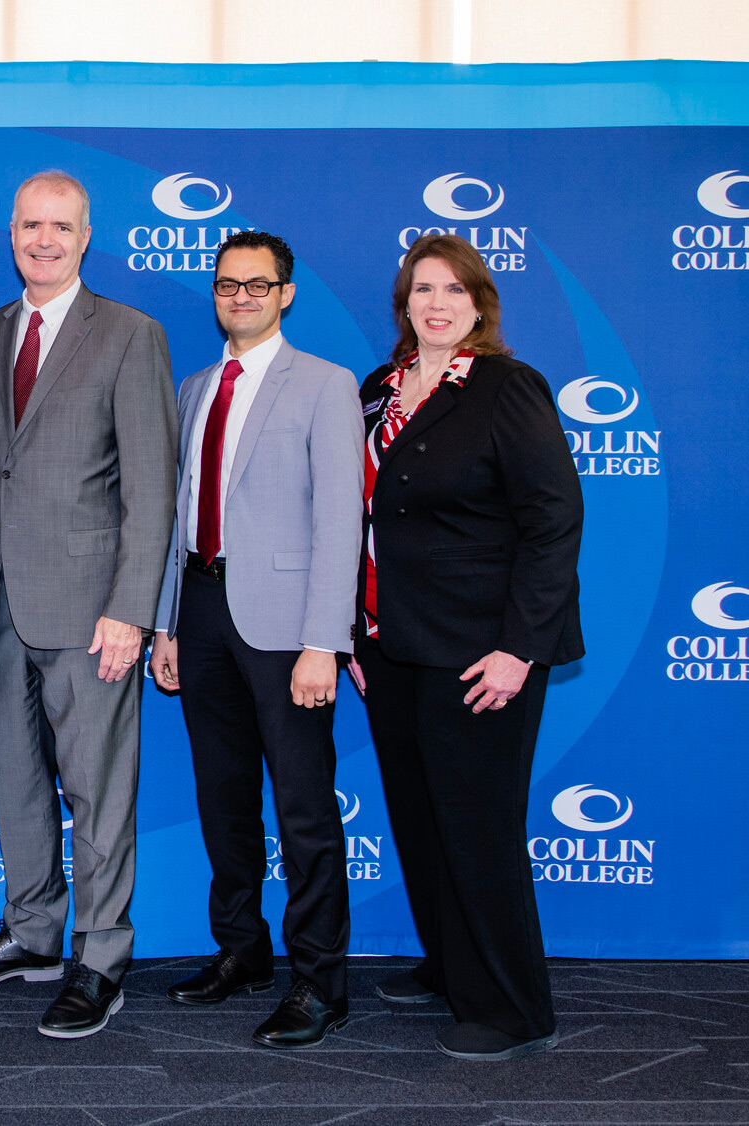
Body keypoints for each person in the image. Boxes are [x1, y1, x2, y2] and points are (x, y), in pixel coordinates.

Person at [0, 171, 177, 1039]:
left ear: (86, 235)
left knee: (99, 795)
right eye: (30, 224)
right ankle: (32, 934)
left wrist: (132, 610)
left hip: (90, 612)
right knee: (18, 786)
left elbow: (154, 490)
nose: (44, 239)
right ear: (10, 233)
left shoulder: (130, 334)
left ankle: (99, 957)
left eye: (61, 226)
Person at [350, 233, 582, 1061]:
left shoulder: (506, 387)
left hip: (480, 651)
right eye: (421, 290)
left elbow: (553, 522)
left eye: (453, 290)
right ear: (404, 303)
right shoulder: (382, 387)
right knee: (420, 821)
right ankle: (453, 968)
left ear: (480, 303)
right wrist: (352, 630)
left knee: (478, 826)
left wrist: (521, 648)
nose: (436, 303)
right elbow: (365, 519)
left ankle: (515, 1008)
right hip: (391, 645)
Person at [149, 231, 364, 1048]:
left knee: (305, 808)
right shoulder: (195, 386)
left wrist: (324, 642)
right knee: (223, 797)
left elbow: (342, 521)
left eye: (257, 284)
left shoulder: (325, 385)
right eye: (227, 284)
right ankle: (242, 951)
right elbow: (178, 515)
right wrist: (167, 622)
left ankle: (321, 982)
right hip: (200, 611)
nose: (241, 297)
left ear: (287, 293)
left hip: (287, 631)